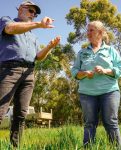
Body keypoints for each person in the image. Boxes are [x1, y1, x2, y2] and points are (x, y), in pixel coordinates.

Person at [0, 0, 60, 147]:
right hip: (9, 70)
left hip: (29, 73)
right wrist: (39, 24)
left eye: (36, 13)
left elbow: (37, 57)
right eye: (31, 11)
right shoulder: (7, 20)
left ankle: (15, 146)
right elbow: (10, 29)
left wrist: (49, 47)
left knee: (21, 115)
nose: (34, 15)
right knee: (0, 110)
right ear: (21, 9)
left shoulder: (32, 36)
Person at [71, 21, 121, 148]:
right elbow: (74, 71)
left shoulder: (111, 50)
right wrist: (84, 73)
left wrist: (105, 70)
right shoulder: (82, 52)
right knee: (89, 124)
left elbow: (120, 69)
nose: (88, 33)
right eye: (87, 30)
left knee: (111, 123)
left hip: (109, 92)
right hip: (87, 94)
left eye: (91, 30)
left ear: (100, 33)